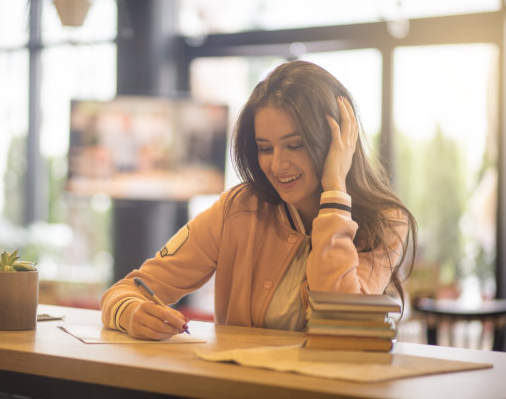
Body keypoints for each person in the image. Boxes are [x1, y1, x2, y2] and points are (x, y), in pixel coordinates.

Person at [100, 60, 417, 340]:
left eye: (295, 145)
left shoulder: (386, 221)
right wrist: (129, 313)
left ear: (337, 143)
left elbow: (343, 320)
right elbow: (127, 291)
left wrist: (335, 191)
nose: (278, 165)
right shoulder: (238, 209)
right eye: (265, 148)